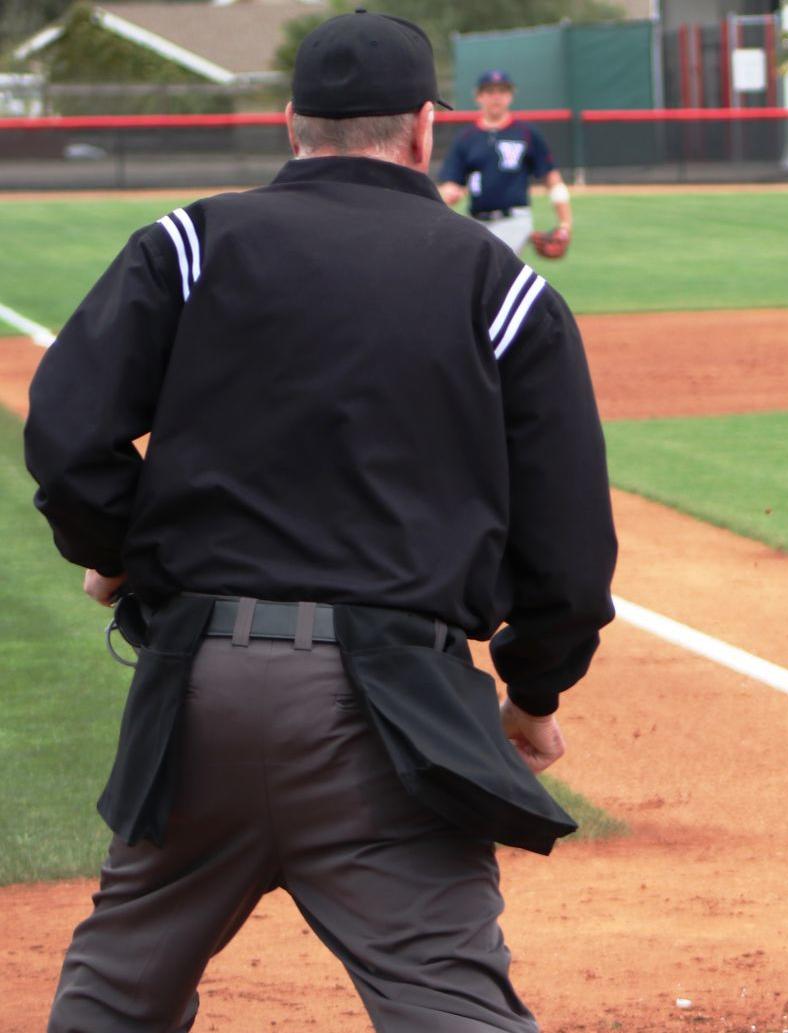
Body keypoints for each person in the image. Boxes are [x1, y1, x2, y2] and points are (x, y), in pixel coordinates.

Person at [26, 11, 616, 1031]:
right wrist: (532, 689)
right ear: (428, 131)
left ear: (292, 123)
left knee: (115, 995)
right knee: (450, 1002)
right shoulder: (502, 287)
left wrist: (124, 554)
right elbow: (568, 550)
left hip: (196, 695)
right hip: (389, 716)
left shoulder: (190, 243)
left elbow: (66, 438)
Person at [438, 69, 572, 255]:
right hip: (476, 222)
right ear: (478, 97)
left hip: (514, 221)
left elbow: (552, 179)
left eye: (502, 91)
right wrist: (449, 193)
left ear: (511, 96)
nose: (496, 97)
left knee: (493, 270)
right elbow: (451, 182)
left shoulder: (526, 132)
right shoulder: (466, 137)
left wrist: (564, 225)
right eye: (490, 92)